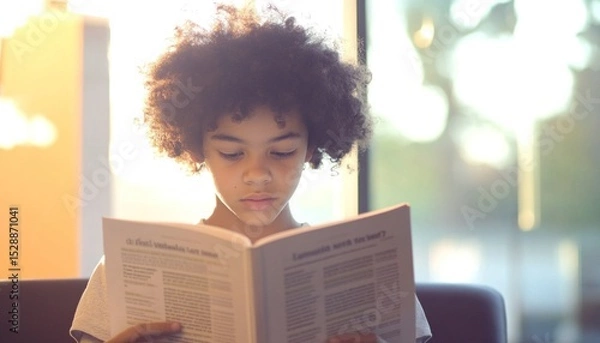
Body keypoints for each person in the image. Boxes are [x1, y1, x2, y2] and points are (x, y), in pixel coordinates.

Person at [70, 3, 432, 343]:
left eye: (282, 151)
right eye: (231, 153)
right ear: (198, 149)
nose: (257, 174)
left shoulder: (370, 267)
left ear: (311, 148)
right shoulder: (123, 270)